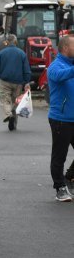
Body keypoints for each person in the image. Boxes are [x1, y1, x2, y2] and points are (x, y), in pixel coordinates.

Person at [47, 35, 74, 202]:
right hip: (61, 119)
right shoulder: (55, 66)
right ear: (65, 47)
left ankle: (69, 177)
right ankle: (60, 187)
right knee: (59, 156)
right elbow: (59, 75)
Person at [0, 34, 31, 131]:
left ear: (7, 42)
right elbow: (26, 69)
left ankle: (8, 114)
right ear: (15, 42)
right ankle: (14, 124)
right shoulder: (22, 53)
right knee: (15, 101)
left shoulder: (2, 53)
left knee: (5, 99)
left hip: (4, 80)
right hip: (18, 82)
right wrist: (26, 81)